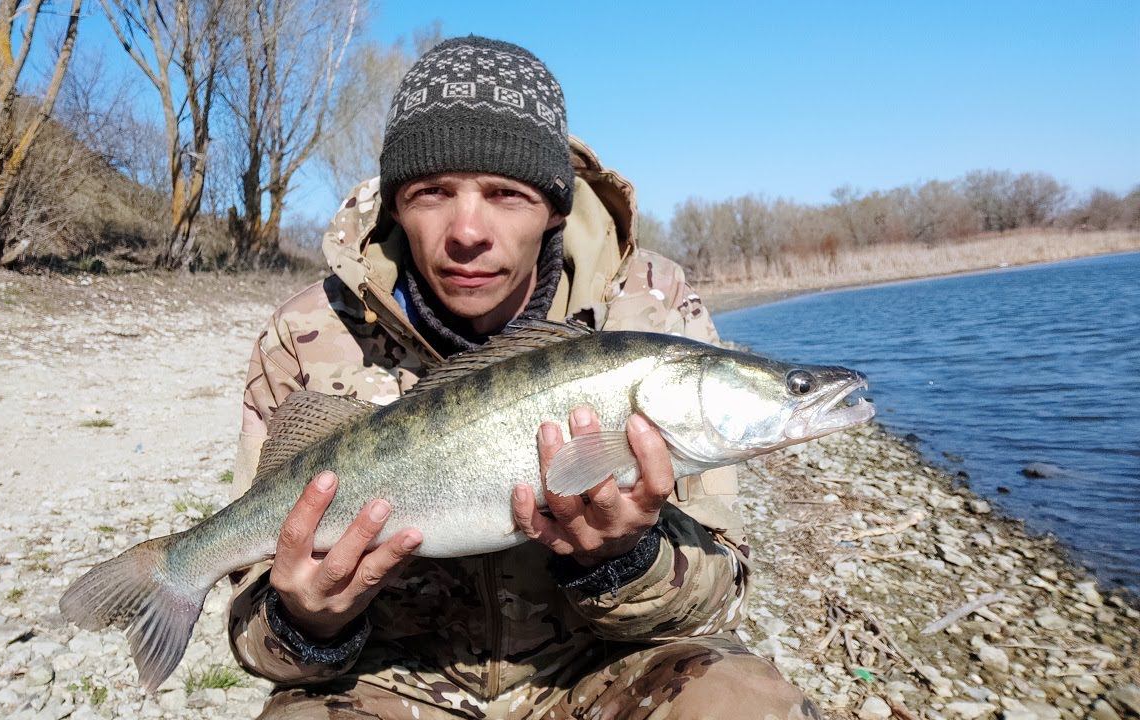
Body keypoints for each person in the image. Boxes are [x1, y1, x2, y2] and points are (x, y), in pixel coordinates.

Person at [226, 35, 821, 720]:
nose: (467, 231)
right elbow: (255, 642)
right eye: (432, 193)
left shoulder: (652, 310)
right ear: (395, 206)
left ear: (555, 209)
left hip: (599, 671)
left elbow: (721, 595)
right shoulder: (304, 336)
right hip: (391, 684)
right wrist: (309, 621)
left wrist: (625, 559)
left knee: (744, 704)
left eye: (506, 194)